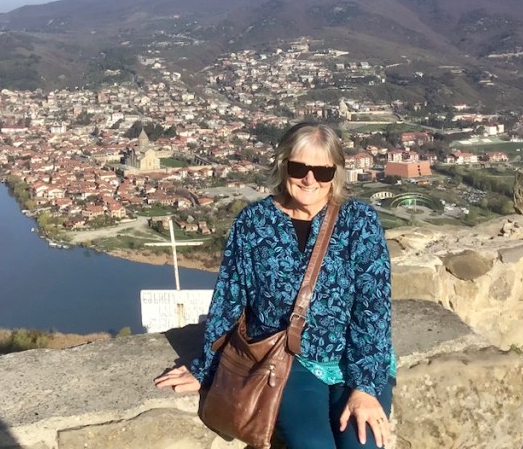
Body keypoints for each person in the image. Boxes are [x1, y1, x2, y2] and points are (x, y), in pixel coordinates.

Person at [154, 121, 395, 449]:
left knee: (363, 444)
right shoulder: (253, 223)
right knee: (311, 444)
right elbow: (229, 300)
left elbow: (373, 306)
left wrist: (364, 388)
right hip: (285, 359)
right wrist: (207, 368)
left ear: (336, 174)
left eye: (322, 171)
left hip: (354, 356)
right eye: (299, 168)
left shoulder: (359, 222)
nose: (309, 179)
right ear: (283, 165)